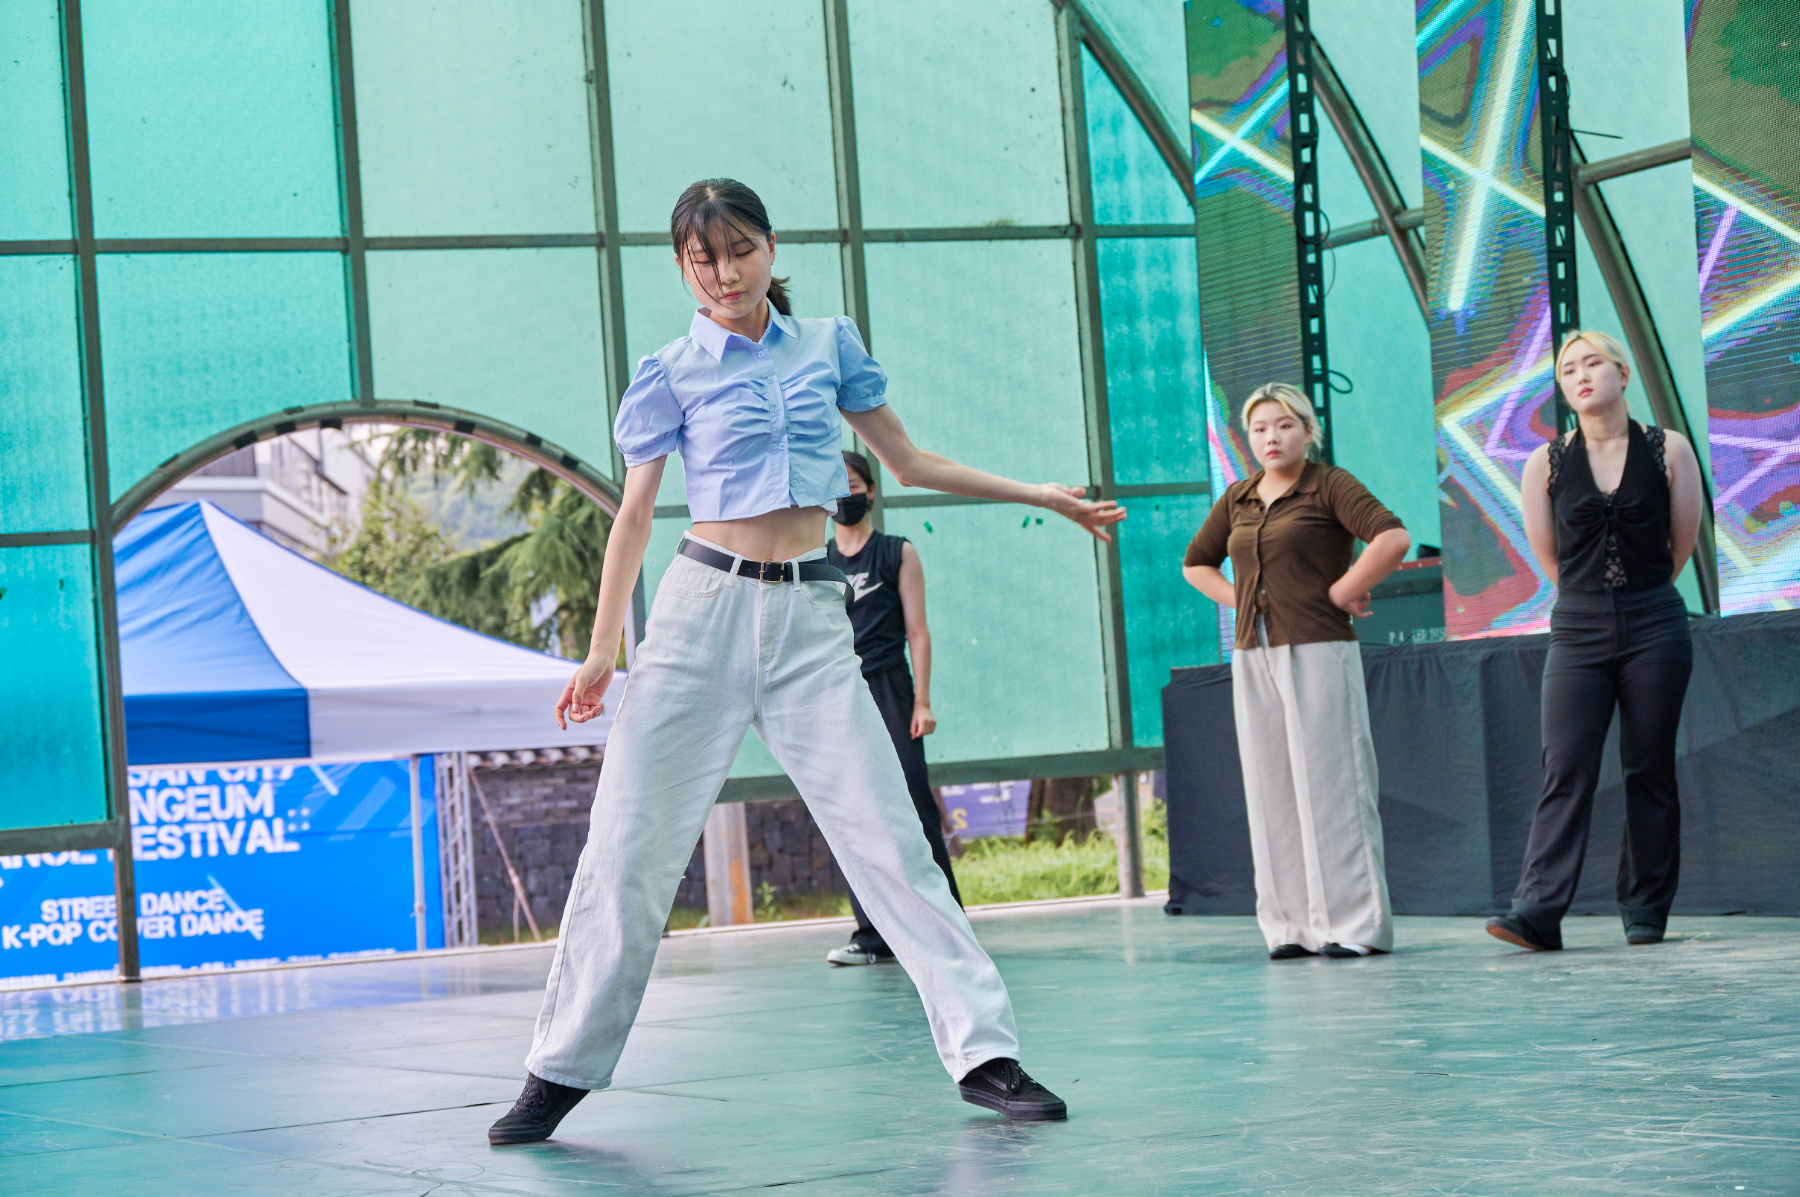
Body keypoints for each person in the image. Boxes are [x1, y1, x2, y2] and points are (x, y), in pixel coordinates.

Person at [487, 178, 1123, 1145]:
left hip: (813, 620)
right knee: (626, 846)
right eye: (703, 259)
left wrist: (1040, 493)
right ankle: (559, 1068)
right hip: (699, 617)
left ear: (771, 248)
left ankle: (985, 1055)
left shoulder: (828, 345)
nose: (725, 273)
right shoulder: (667, 372)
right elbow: (634, 515)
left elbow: (909, 463)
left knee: (892, 840)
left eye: (740, 250)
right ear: (683, 267)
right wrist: (603, 648)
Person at [1486, 330, 1703, 952]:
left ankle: (1645, 909)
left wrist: (1640, 595)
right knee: (1566, 765)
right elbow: (1549, 557)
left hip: (1655, 621)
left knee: (1649, 764)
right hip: (1578, 626)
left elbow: (1681, 544)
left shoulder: (1668, 448)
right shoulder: (1546, 462)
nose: (1580, 375)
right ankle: (1536, 911)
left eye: (1592, 363)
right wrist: (1592, 601)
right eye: (1568, 369)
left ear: (1623, 373)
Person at [1181, 384, 1410, 961]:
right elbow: (1196, 563)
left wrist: (1342, 590)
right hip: (1253, 651)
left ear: (1308, 431)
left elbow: (1392, 537)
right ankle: (1290, 927)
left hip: (1318, 646)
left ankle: (1355, 925)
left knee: (1334, 786)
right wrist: (1244, 599)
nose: (1271, 437)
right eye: (1259, 428)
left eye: (1284, 425)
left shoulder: (1329, 484)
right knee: (1271, 789)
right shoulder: (1238, 497)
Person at [823, 451, 964, 967]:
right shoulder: (815, 561)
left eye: (853, 483)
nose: (845, 494)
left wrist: (922, 701)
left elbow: (918, 632)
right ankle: (872, 935)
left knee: (913, 806)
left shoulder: (897, 552)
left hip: (891, 688)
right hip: (838, 693)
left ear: (872, 490)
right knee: (853, 812)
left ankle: (948, 926)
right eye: (836, 484)